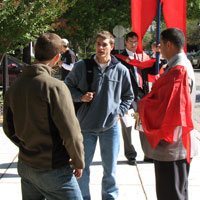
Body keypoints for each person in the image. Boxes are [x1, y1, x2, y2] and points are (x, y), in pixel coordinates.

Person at [3, 33, 84, 200]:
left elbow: (8, 128)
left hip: (26, 164)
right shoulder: (55, 87)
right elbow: (71, 132)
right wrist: (78, 161)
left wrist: (26, 146)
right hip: (53, 168)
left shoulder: (15, 86)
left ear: (35, 53)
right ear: (57, 57)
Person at [65, 30, 134, 200]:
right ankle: (82, 197)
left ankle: (109, 197)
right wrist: (80, 96)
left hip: (110, 128)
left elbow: (129, 96)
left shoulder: (121, 70)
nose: (100, 47)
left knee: (110, 170)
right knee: (82, 168)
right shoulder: (82, 66)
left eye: (104, 44)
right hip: (85, 127)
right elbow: (67, 87)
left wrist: (119, 112)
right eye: (98, 44)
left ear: (111, 46)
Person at [138, 28, 197, 200]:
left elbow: (168, 109)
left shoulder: (178, 70)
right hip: (177, 143)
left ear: (169, 44)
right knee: (177, 192)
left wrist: (143, 104)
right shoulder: (180, 66)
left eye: (161, 44)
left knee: (171, 194)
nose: (159, 49)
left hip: (172, 144)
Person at [115, 31, 150, 165]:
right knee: (127, 126)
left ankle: (147, 154)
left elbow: (152, 71)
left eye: (136, 41)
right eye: (131, 41)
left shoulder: (142, 57)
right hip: (126, 97)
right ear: (126, 42)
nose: (134, 44)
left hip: (141, 96)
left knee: (143, 126)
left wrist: (159, 56)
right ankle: (130, 155)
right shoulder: (119, 58)